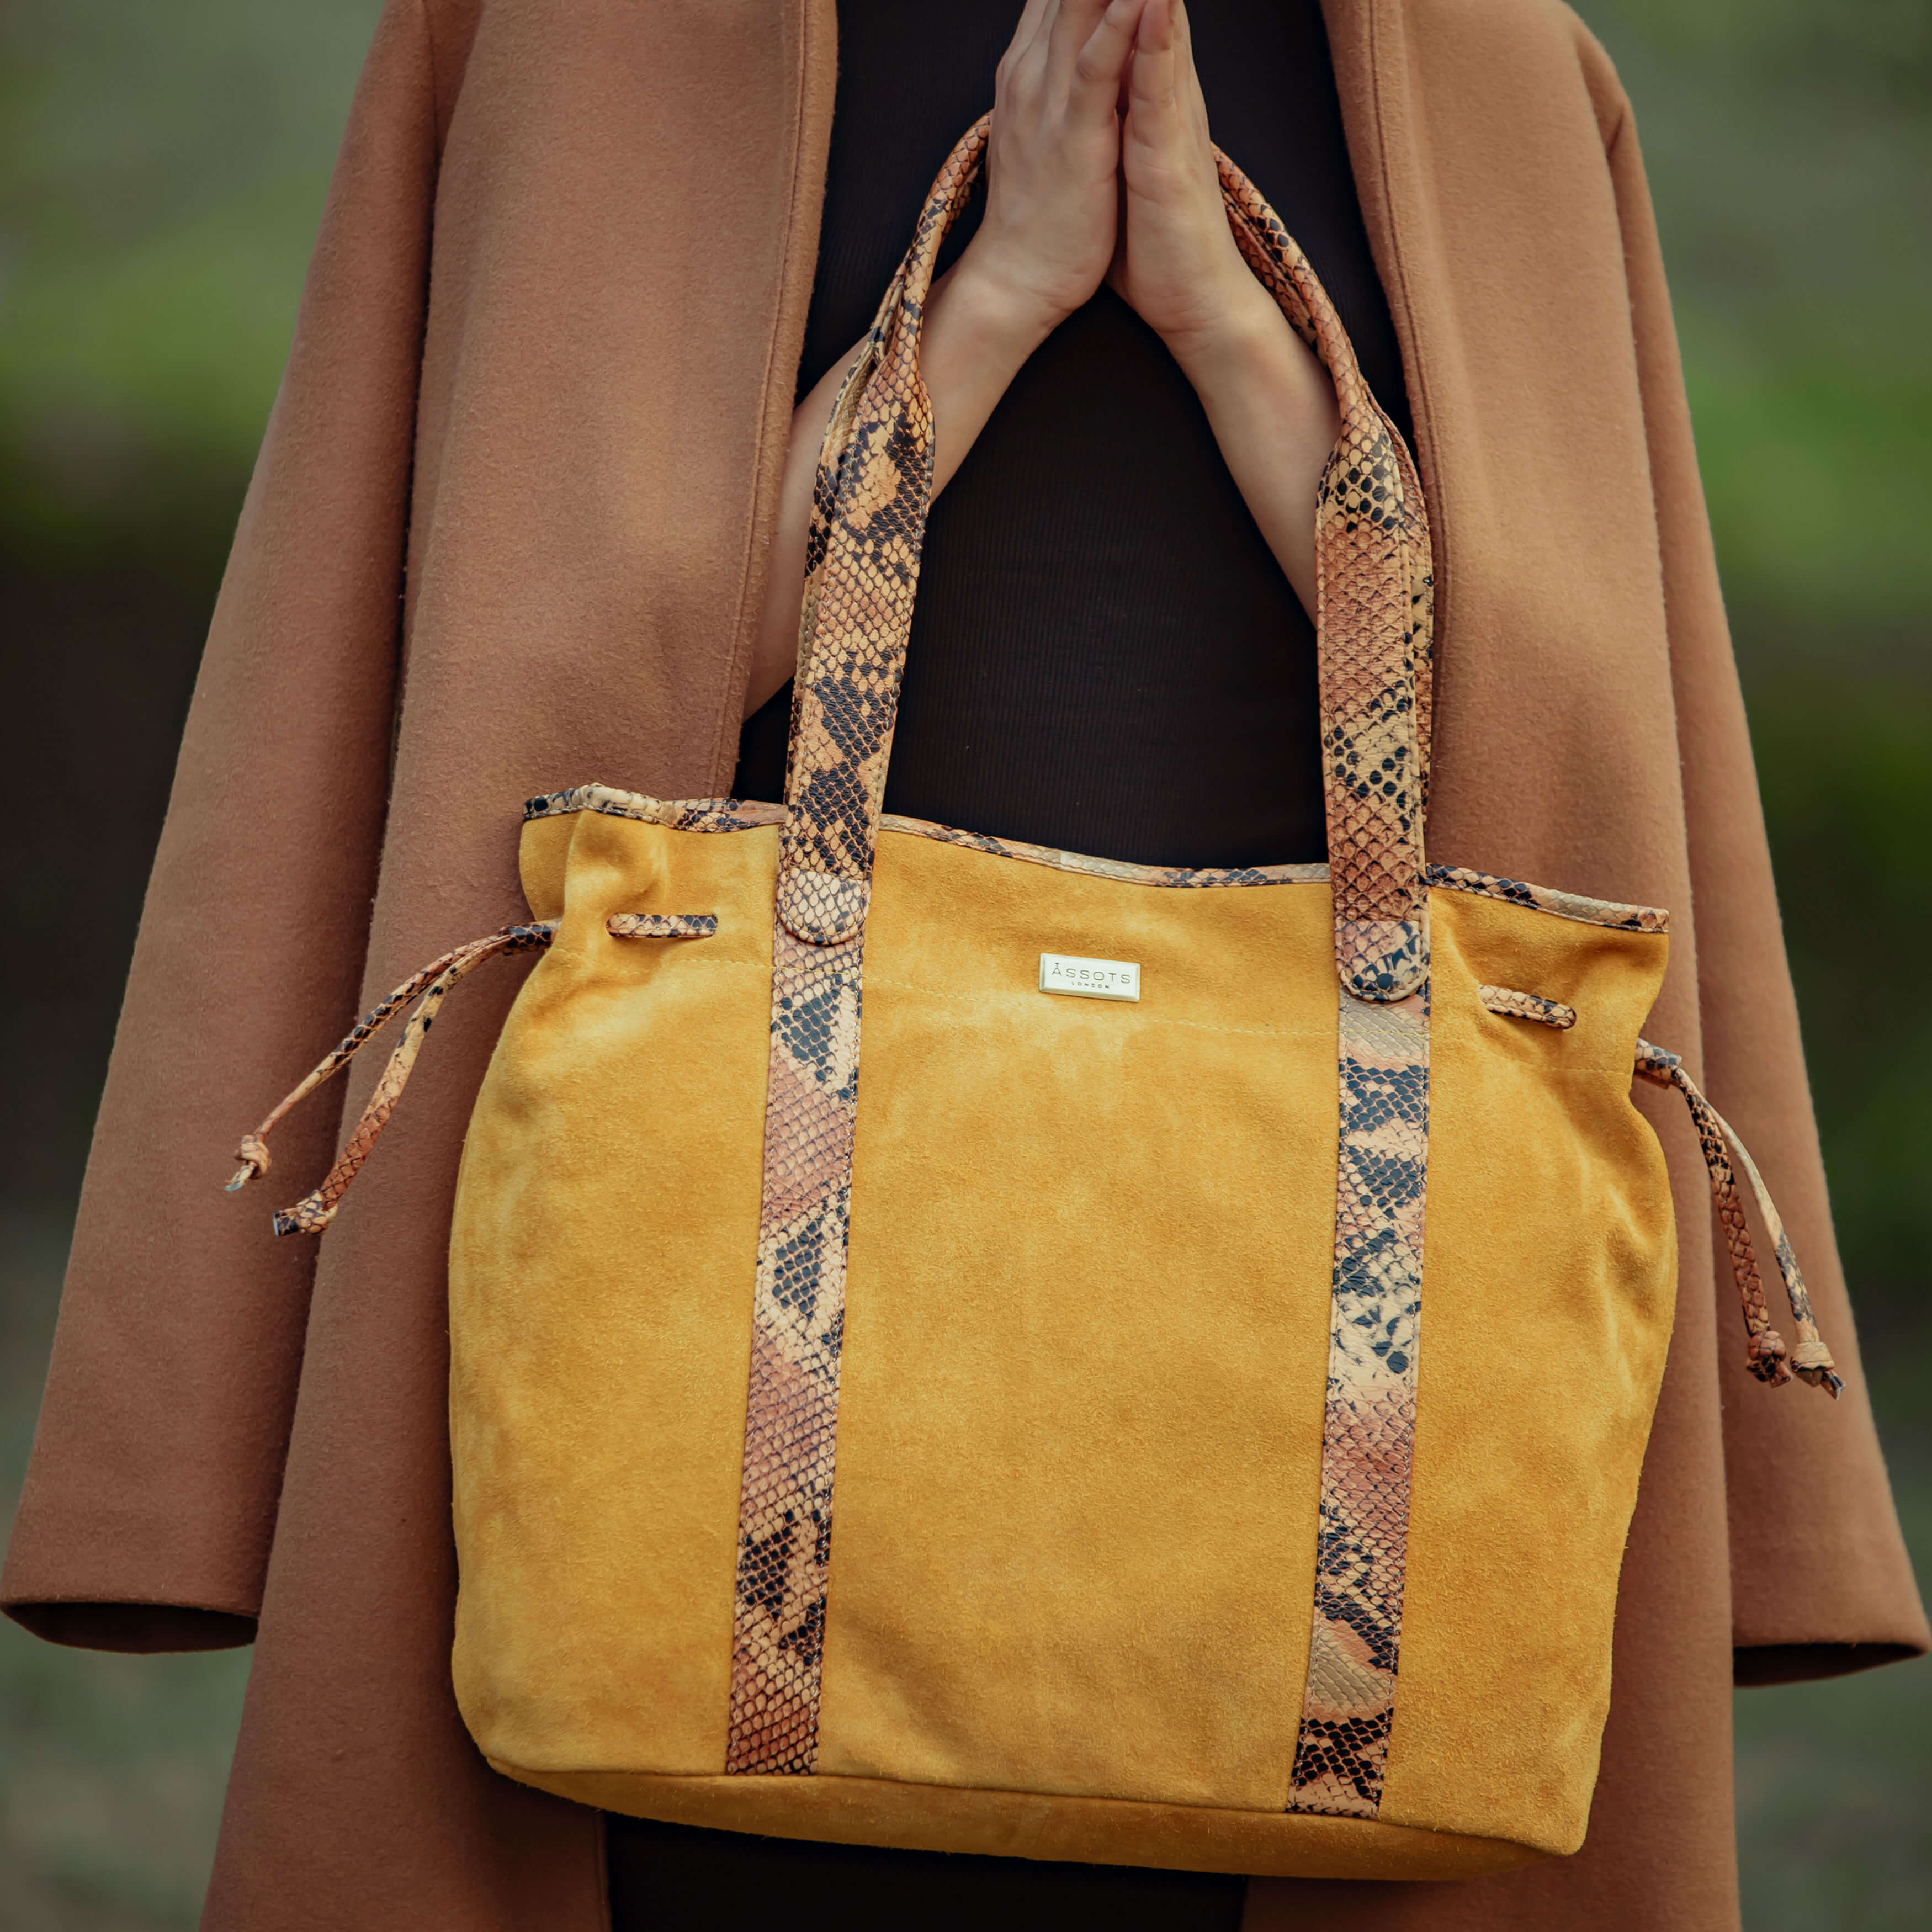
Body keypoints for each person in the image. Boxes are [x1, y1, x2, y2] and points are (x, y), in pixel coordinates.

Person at [3, 3, 1923, 1930]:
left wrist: (1230, 334)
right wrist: (985, 304)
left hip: (1310, 1394)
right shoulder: (563, 53)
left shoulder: (1505, 79)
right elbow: (528, 727)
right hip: (684, 1342)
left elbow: (1549, 795)